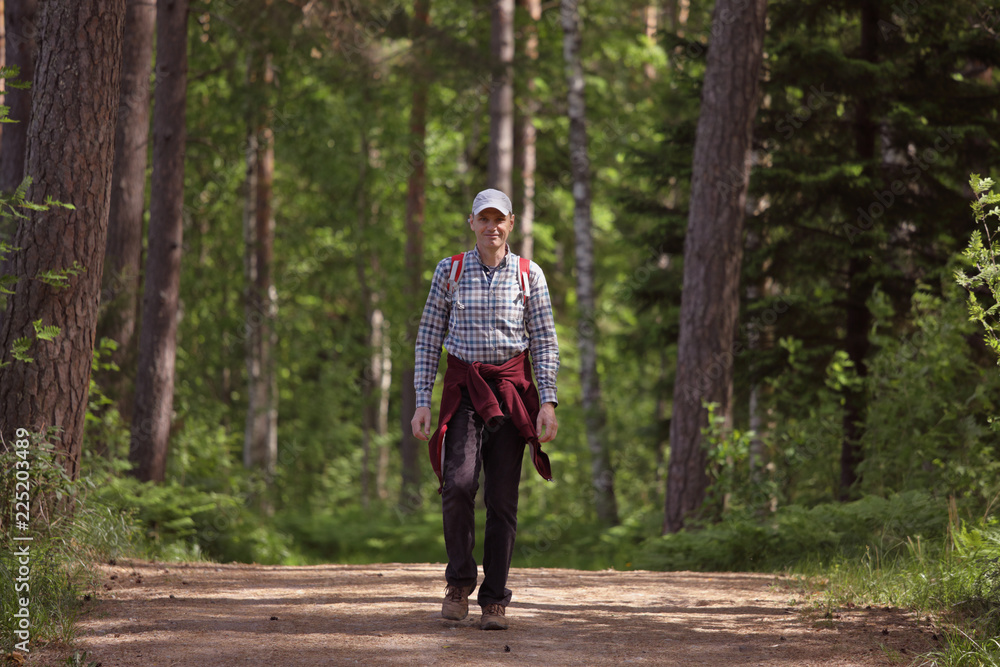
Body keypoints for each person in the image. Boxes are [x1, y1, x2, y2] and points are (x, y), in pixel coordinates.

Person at [410, 188, 560, 631]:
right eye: (483, 219)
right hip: (464, 389)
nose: (491, 226)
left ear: (511, 223)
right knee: (457, 485)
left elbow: (546, 342)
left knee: (502, 498)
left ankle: (494, 599)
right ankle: (459, 583)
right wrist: (423, 399)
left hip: (512, 393)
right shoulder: (450, 271)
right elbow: (428, 337)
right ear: (471, 223)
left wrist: (547, 402)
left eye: (499, 219)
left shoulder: (529, 274)